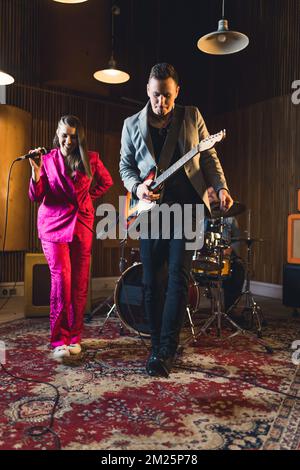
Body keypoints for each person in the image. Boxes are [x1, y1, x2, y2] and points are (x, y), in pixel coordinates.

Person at [119, 63, 233, 377]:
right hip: (151, 211)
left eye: (167, 96)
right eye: (156, 95)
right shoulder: (131, 124)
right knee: (150, 282)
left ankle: (166, 350)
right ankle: (157, 345)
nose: (162, 103)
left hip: (188, 209)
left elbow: (209, 157)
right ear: (147, 90)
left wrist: (221, 187)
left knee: (178, 281)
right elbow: (126, 168)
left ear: (177, 92)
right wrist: (138, 186)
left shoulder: (192, 116)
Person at [29, 115, 113, 359]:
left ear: (80, 138)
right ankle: (58, 340)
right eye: (64, 135)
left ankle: (75, 337)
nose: (68, 140)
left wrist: (87, 201)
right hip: (53, 225)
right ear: (58, 134)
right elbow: (36, 195)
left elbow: (106, 182)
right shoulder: (45, 160)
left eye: (73, 136)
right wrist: (36, 172)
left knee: (78, 284)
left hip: (81, 225)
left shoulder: (92, 158)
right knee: (62, 281)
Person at [206, 186, 245, 315]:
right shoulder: (201, 217)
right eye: (208, 193)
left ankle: (229, 309)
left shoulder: (230, 218)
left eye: (213, 193)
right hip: (206, 257)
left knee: (238, 267)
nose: (210, 195)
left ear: (219, 195)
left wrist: (231, 249)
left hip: (226, 258)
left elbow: (238, 239)